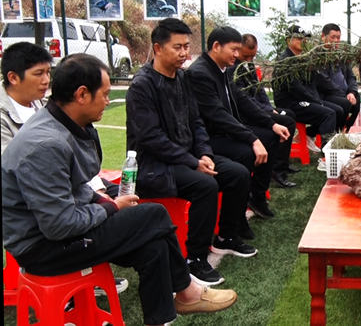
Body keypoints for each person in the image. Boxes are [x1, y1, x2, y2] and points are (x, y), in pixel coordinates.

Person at [2, 54, 237, 326]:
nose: (107, 100)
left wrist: (101, 199)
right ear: (81, 95)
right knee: (153, 215)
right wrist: (112, 207)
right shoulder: (45, 144)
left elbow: (75, 187)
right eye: (104, 94)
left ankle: (161, 319)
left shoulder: (64, 123)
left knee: (153, 246)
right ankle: (187, 291)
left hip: (60, 230)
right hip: (42, 248)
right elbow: (59, 225)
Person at [127, 19, 257, 286]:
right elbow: (151, 138)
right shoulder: (142, 85)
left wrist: (205, 153)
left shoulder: (183, 78)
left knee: (238, 173)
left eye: (187, 46)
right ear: (158, 49)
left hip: (188, 158)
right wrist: (192, 161)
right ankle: (195, 258)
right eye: (178, 47)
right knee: (205, 186)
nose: (185, 53)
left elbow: (197, 122)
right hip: (154, 166)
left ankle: (226, 237)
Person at [1, 42, 128, 296]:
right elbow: (39, 177)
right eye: (38, 73)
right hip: (37, 218)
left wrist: (98, 192)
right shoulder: (26, 130)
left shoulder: (44, 106)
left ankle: (93, 274)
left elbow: (70, 165)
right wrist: (104, 205)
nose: (46, 80)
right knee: (145, 218)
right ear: (13, 78)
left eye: (49, 72)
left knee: (133, 203)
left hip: (63, 196)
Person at [186, 26, 291, 220]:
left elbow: (241, 100)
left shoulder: (222, 69)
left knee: (271, 135)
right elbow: (216, 115)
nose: (237, 54)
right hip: (210, 138)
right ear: (216, 46)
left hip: (226, 131)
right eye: (234, 49)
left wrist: (270, 123)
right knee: (247, 151)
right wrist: (252, 139)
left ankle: (257, 195)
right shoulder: (199, 73)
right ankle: (235, 216)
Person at [232, 34, 299, 188]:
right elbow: (245, 100)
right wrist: (266, 111)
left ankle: (283, 162)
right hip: (247, 113)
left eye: (252, 56)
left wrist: (270, 108)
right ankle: (276, 168)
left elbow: (260, 90)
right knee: (287, 122)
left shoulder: (249, 64)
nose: (249, 59)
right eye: (245, 56)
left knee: (289, 114)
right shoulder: (233, 68)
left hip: (260, 108)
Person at [273, 25, 338, 171]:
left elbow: (311, 83)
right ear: (288, 40)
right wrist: (315, 102)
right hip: (291, 103)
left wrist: (317, 101)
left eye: (304, 38)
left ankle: (314, 137)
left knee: (338, 110)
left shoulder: (303, 59)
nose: (303, 41)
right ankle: (326, 157)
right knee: (328, 114)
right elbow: (296, 89)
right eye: (299, 38)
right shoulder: (285, 61)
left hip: (305, 99)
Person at [315, 23, 360, 130]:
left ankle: (348, 128)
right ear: (323, 36)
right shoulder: (317, 56)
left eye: (338, 38)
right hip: (327, 94)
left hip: (345, 93)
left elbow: (351, 77)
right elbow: (323, 82)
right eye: (333, 37)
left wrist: (351, 92)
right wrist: (343, 94)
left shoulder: (341, 55)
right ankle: (336, 131)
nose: (336, 40)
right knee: (345, 103)